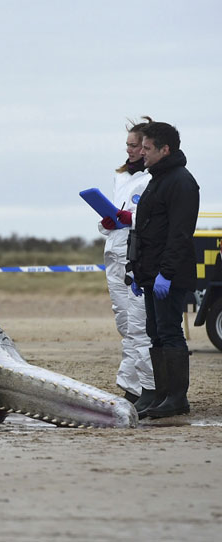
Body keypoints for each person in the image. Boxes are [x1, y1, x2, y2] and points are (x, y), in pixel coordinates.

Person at [128, 121, 200, 418]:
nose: (141, 153)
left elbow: (179, 233)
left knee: (170, 333)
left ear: (164, 149)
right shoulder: (157, 179)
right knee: (155, 332)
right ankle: (162, 396)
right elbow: (146, 229)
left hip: (170, 275)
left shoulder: (181, 181)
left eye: (147, 148)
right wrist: (136, 270)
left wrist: (166, 274)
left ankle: (176, 398)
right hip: (151, 274)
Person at [97, 118, 153, 406]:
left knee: (138, 325)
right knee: (124, 323)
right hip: (114, 255)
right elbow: (117, 218)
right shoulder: (121, 177)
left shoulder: (153, 179)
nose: (130, 150)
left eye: (135, 145)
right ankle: (132, 385)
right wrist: (107, 222)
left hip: (136, 258)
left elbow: (149, 219)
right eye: (128, 145)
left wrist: (131, 221)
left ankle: (144, 388)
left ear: (147, 147)